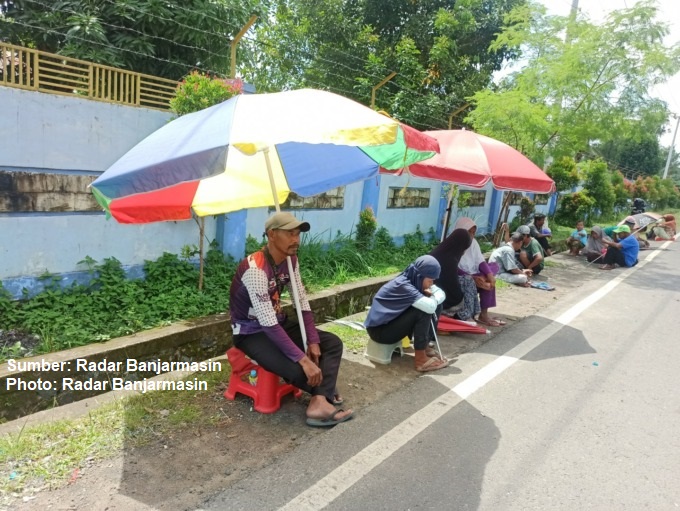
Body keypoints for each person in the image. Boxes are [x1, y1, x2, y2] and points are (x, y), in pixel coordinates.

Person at [229, 211, 353, 427]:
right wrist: (303, 359)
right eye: (290, 234)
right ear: (271, 235)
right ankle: (324, 393)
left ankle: (319, 398)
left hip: (277, 321)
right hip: (251, 332)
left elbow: (301, 302)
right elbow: (267, 324)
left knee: (332, 344)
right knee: (297, 367)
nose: (296, 240)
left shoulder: (290, 260)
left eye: (297, 234)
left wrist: (313, 340)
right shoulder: (255, 269)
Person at [364, 255, 450, 372]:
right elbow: (430, 305)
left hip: (391, 323)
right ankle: (420, 360)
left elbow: (440, 293)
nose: (432, 284)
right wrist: (433, 299)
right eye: (430, 280)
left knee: (434, 304)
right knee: (425, 309)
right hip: (379, 331)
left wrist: (433, 298)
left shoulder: (414, 278)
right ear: (420, 277)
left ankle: (424, 347)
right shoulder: (403, 285)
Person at [453, 218, 505, 327]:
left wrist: (490, 276)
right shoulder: (453, 243)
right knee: (470, 281)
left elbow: (480, 261)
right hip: (458, 278)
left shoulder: (473, 243)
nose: (471, 235)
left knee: (488, 280)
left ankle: (484, 314)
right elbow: (453, 267)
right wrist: (472, 278)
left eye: (473, 232)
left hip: (473, 274)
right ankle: (468, 315)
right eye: (469, 232)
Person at [429, 228, 472, 317]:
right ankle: (466, 315)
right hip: (437, 298)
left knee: (467, 280)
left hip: (431, 292)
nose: (463, 252)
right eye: (463, 248)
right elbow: (452, 285)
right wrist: (460, 297)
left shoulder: (439, 251)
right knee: (468, 283)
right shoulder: (450, 260)